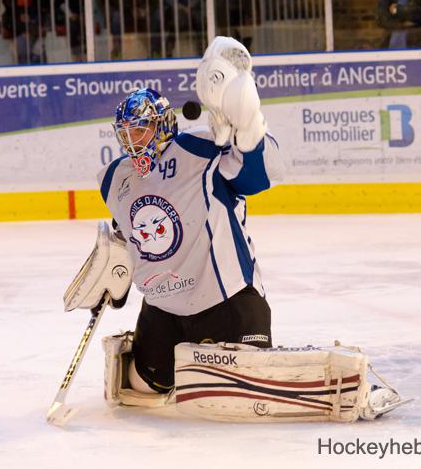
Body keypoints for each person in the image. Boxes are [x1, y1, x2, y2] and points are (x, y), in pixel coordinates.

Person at [97, 36, 283, 395]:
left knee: (244, 385)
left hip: (226, 298)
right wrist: (110, 272)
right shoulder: (116, 178)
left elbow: (257, 179)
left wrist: (248, 131)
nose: (134, 141)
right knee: (144, 386)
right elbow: (126, 232)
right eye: (127, 133)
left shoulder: (201, 147)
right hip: (164, 308)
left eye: (141, 129)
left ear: (164, 124)